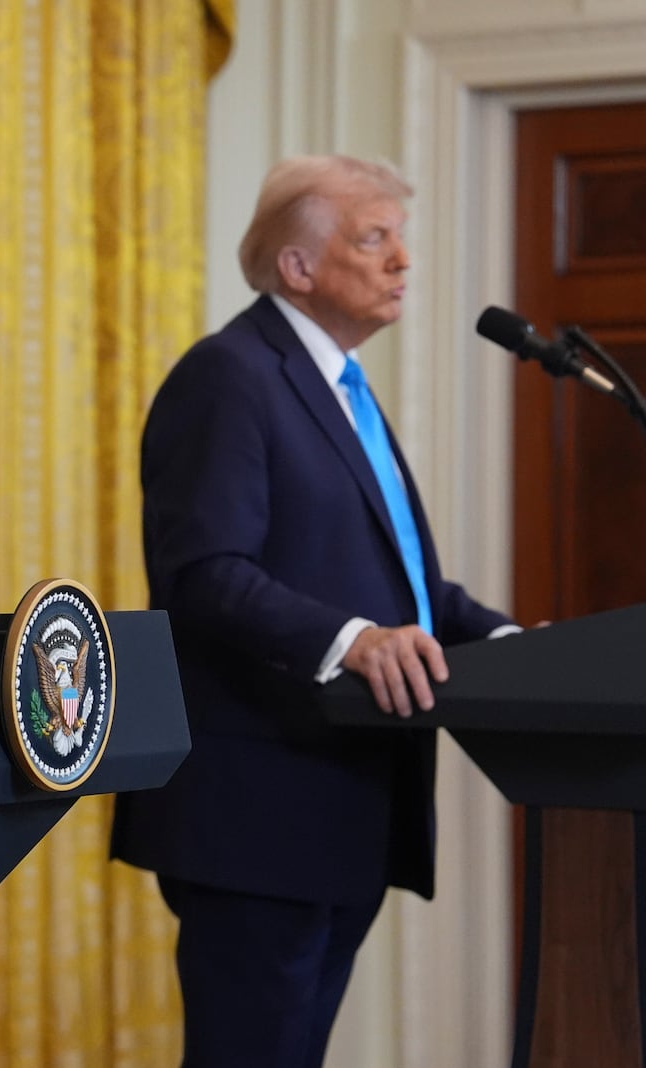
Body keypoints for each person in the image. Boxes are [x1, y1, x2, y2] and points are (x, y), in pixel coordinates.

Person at [110, 155, 517, 1068]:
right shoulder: (229, 376)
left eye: (399, 240)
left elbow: (409, 595)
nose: (403, 260)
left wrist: (523, 647)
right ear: (298, 267)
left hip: (345, 803)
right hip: (260, 815)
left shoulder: (340, 392)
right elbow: (204, 570)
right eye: (376, 239)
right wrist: (351, 640)